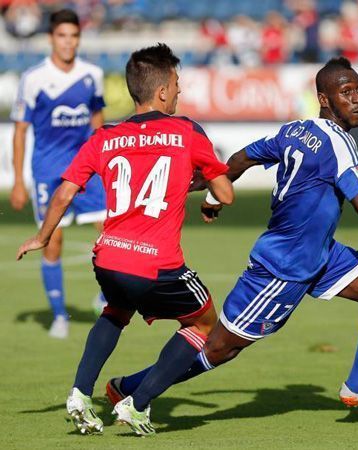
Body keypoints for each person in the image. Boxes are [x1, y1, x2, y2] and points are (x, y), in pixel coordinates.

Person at [105, 57, 358, 434]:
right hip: (282, 267)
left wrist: (215, 198)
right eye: (346, 92)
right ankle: (130, 388)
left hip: (320, 253)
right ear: (324, 98)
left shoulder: (294, 130)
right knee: (219, 348)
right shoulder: (337, 144)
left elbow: (240, 159)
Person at [16, 43, 234, 436]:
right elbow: (226, 191)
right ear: (164, 91)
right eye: (177, 84)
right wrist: (208, 194)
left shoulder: (105, 136)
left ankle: (81, 394)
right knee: (203, 325)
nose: (180, 92)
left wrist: (41, 237)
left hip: (110, 258)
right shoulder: (185, 130)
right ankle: (137, 402)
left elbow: (65, 192)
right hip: (157, 263)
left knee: (116, 310)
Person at [10, 9, 107, 338]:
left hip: (86, 167)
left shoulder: (92, 74)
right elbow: (20, 131)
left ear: (79, 38)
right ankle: (60, 315)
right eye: (63, 36)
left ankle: (107, 295)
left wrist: (104, 164)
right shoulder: (34, 78)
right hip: (48, 172)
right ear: (52, 38)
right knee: (52, 240)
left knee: (112, 230)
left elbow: (97, 123)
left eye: (74, 36)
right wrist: (19, 181)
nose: (69, 42)